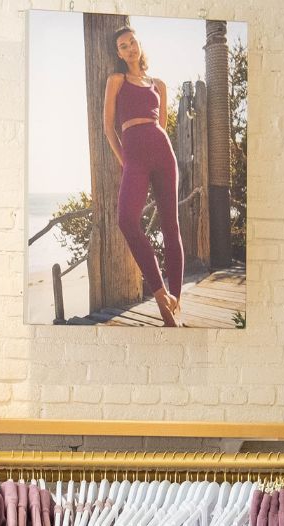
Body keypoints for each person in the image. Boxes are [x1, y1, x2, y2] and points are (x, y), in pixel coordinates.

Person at [102, 24, 184, 327]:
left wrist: (154, 149)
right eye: (123, 46)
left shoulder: (159, 84)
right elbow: (108, 127)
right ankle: (161, 291)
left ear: (139, 44)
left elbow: (160, 125)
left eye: (132, 42)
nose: (129, 48)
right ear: (118, 53)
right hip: (134, 156)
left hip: (163, 153)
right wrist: (124, 159)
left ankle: (172, 310)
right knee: (126, 220)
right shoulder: (116, 80)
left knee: (170, 227)